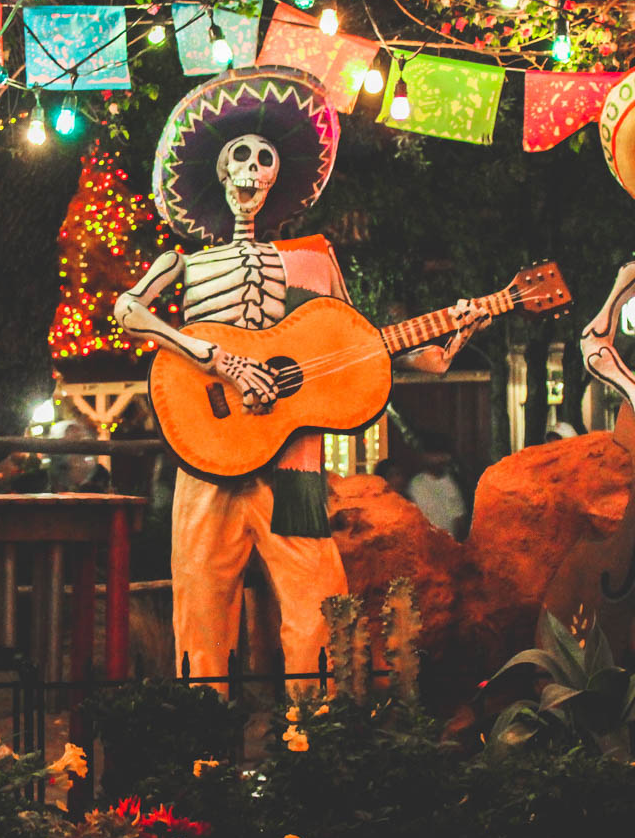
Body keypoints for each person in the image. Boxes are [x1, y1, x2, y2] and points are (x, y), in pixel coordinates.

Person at [117, 68, 488, 691]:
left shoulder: (313, 260)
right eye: (240, 156)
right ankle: (204, 747)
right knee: (201, 609)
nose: (251, 170)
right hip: (208, 454)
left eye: (264, 159)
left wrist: (449, 339)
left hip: (292, 465)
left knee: (319, 606)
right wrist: (214, 359)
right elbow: (129, 311)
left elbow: (361, 347)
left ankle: (314, 742)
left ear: (277, 176)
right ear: (217, 171)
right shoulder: (182, 261)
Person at [407, 434, 468, 537]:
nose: (438, 459)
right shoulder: (416, 484)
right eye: (433, 455)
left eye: (440, 456)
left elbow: (459, 518)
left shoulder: (453, 482)